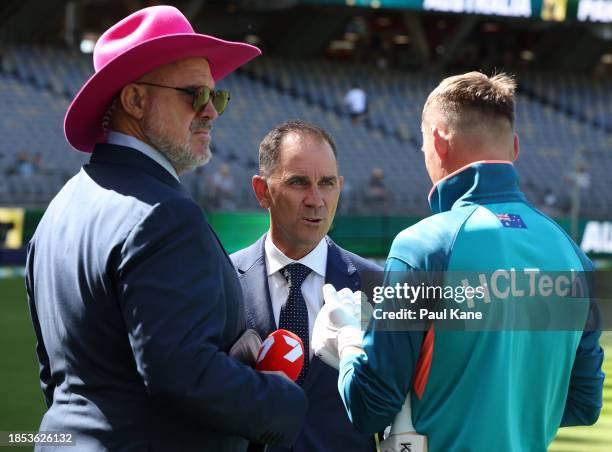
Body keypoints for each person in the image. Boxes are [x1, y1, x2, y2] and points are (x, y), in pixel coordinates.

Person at [25, 6, 307, 451]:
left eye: (218, 97)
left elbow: (57, 379)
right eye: (195, 95)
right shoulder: (162, 213)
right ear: (135, 100)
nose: (212, 112)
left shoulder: (58, 211)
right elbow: (183, 373)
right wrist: (283, 400)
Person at [314, 72, 605, 451]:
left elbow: (371, 406)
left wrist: (349, 339)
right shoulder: (576, 258)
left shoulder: (423, 246)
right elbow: (584, 404)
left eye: (423, 145)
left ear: (437, 139)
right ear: (514, 147)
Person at [230, 120, 381, 452]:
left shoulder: (376, 285)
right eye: (299, 183)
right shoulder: (223, 278)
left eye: (326, 183)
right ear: (262, 191)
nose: (316, 200)